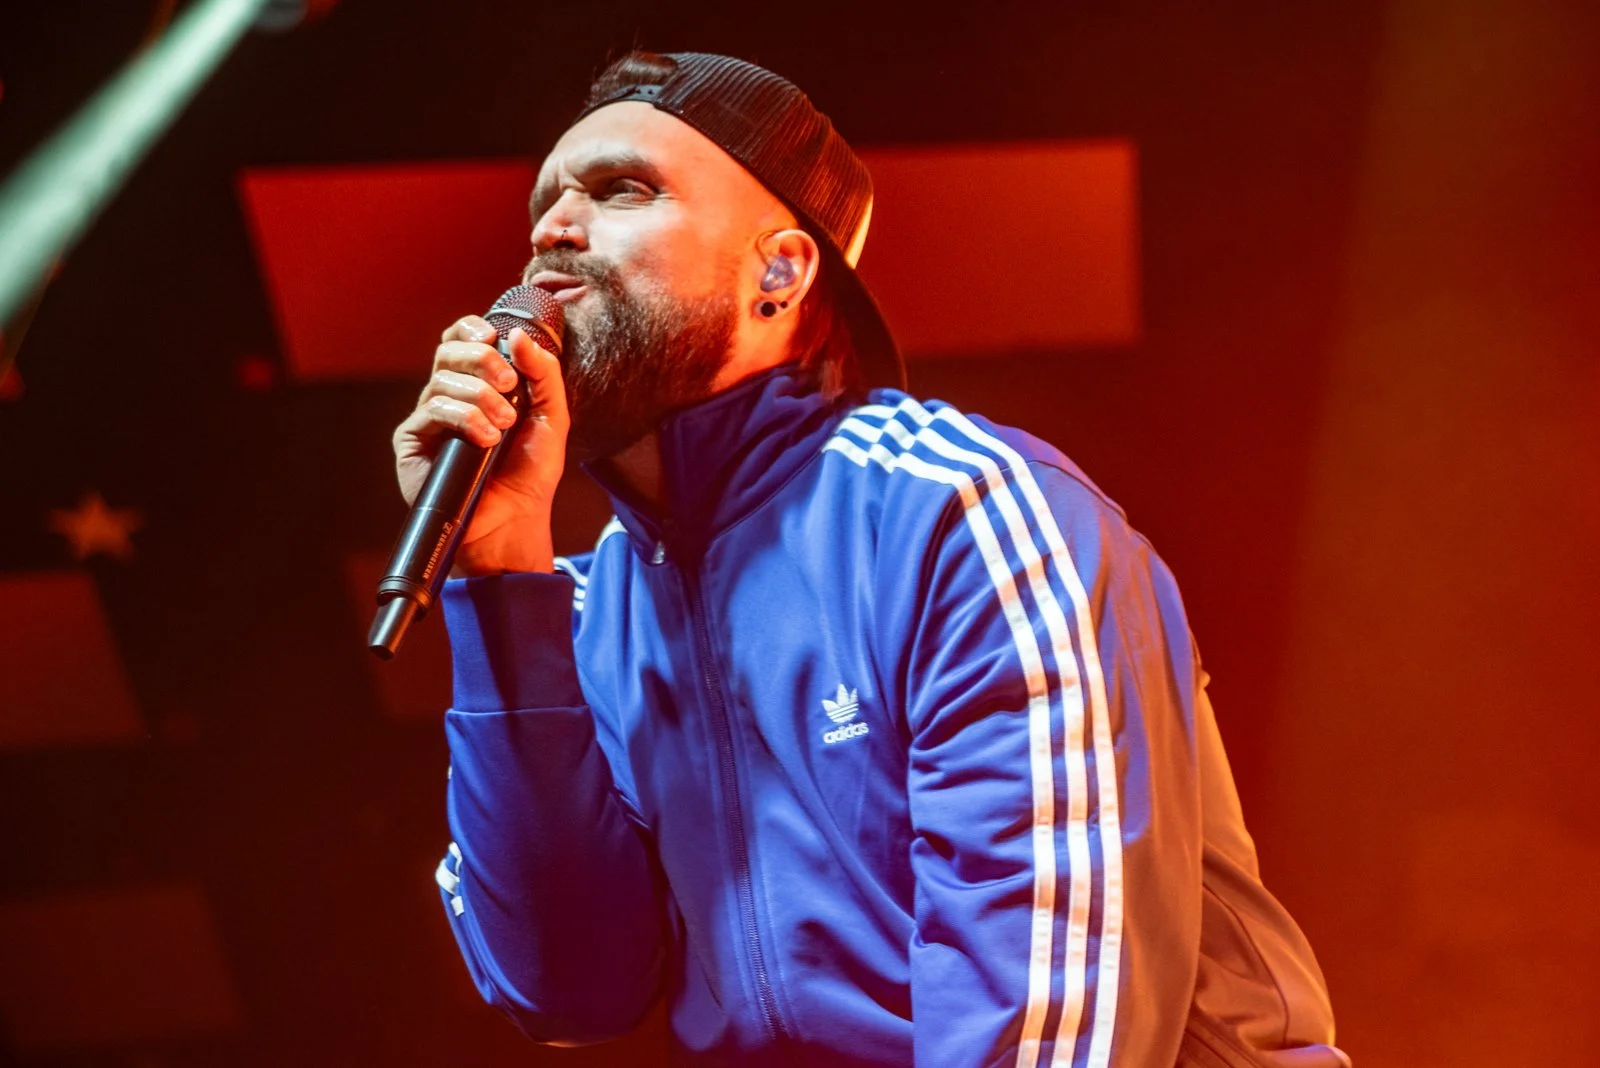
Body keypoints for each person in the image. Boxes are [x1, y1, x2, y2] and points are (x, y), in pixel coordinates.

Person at [395, 51, 1348, 1067]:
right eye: (545, 203)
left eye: (623, 189)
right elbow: (566, 986)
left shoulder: (957, 510)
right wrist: (495, 581)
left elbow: (1051, 1023)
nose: (551, 229)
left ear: (781, 271)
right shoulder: (589, 615)